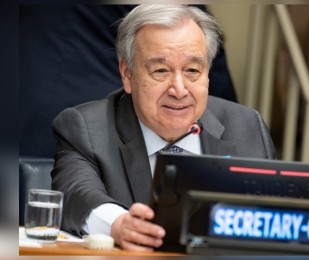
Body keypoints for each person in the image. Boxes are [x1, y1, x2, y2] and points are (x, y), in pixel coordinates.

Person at [51, 4, 275, 252]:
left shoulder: (246, 126)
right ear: (127, 74)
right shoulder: (86, 127)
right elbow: (76, 194)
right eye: (160, 71)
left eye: (192, 71)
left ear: (208, 75)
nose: (179, 90)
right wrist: (118, 224)